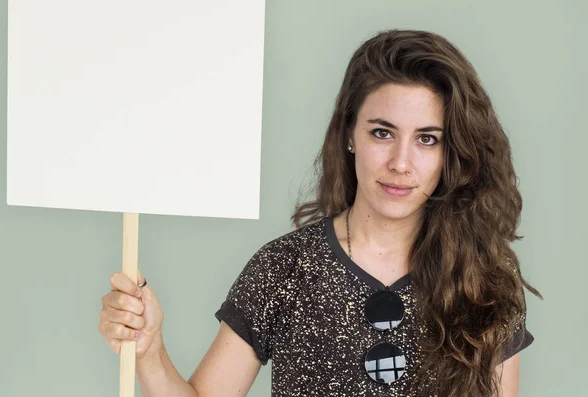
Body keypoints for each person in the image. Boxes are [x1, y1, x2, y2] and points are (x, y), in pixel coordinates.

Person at [99, 29, 542, 397]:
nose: (401, 163)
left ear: (452, 151)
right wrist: (149, 351)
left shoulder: (483, 277)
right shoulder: (285, 267)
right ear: (350, 133)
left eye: (427, 139)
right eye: (383, 132)